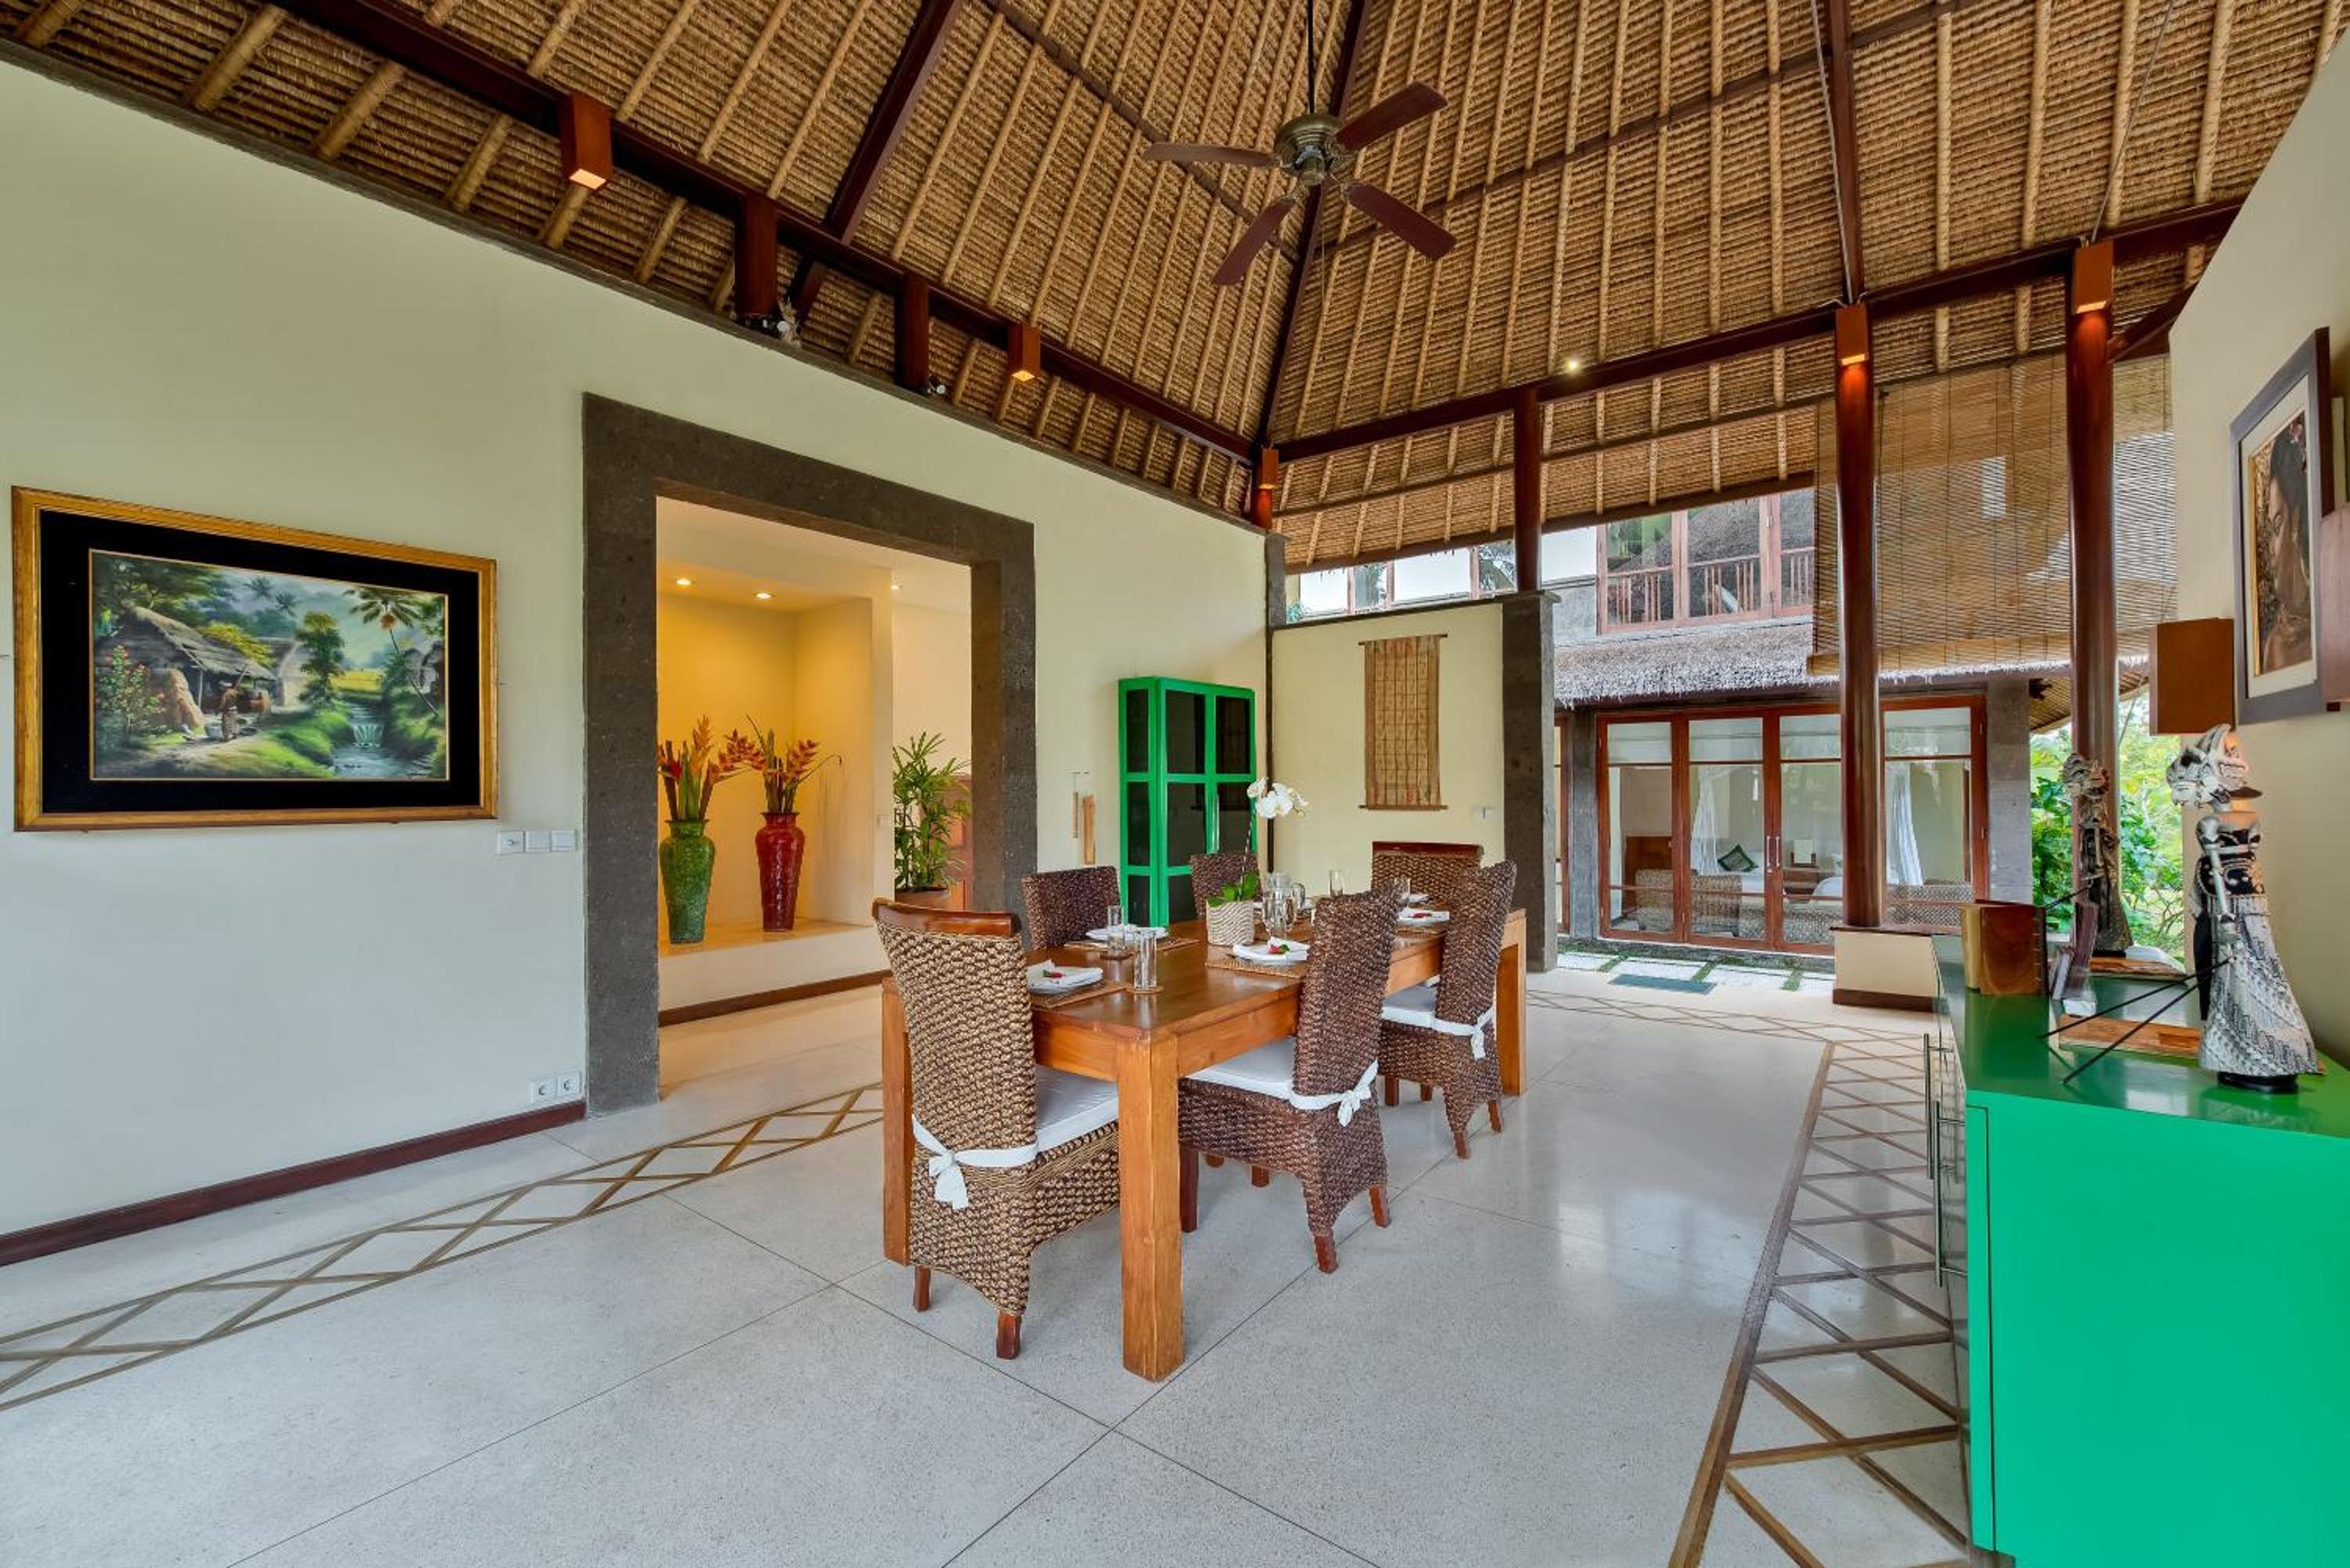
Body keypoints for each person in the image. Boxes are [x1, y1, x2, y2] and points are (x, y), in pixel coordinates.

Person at [2257, 419, 2312, 673]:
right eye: (2270, 529)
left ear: (2297, 521)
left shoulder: (2334, 624)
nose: (2270, 547)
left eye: (2277, 525)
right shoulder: (2275, 644)